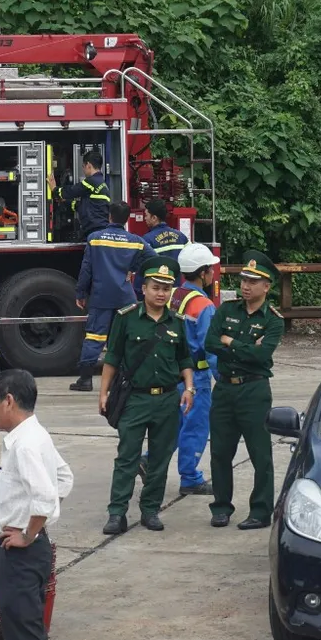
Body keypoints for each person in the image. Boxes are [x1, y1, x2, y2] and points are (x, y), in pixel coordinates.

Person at [99, 257, 195, 535]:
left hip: (167, 399)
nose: (161, 293)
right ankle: (117, 513)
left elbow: (185, 359)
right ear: (143, 288)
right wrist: (104, 392)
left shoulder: (177, 322)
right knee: (127, 458)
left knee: (159, 460)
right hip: (135, 399)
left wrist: (189, 388)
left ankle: (150, 510)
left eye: (166, 289)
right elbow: (112, 358)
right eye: (155, 287)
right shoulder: (126, 317)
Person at [0, 369, 73, 640]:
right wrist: (35, 522)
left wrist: (28, 533)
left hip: (20, 553)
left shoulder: (24, 445)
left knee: (23, 636)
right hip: (28, 550)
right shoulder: (36, 434)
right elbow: (64, 478)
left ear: (8, 401)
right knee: (25, 630)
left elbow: (45, 497)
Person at [205, 250, 284, 530]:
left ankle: (260, 512)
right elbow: (210, 343)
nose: (246, 286)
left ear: (266, 286)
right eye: (244, 280)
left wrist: (230, 342)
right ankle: (221, 507)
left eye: (253, 281)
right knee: (220, 452)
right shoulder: (227, 310)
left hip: (254, 391)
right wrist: (246, 347)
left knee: (260, 455)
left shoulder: (273, 320)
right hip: (225, 389)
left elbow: (262, 357)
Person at [139, 243, 220, 495]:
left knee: (172, 425)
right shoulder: (203, 305)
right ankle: (190, 477)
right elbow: (210, 346)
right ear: (203, 273)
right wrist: (222, 377)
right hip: (196, 377)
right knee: (194, 427)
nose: (212, 274)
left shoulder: (171, 295)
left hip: (169, 374)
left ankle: (149, 459)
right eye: (210, 270)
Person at [71, 202, 150, 392]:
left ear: (110, 217)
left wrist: (81, 293)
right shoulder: (136, 241)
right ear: (127, 219)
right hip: (126, 298)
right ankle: (124, 379)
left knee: (95, 336)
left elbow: (86, 269)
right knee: (125, 337)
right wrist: (134, 269)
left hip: (101, 296)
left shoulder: (95, 239)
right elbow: (152, 258)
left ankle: (85, 380)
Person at [47, 149, 111, 240]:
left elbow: (72, 191)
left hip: (95, 231)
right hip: (99, 229)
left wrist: (55, 189)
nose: (83, 170)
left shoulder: (91, 181)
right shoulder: (102, 184)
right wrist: (65, 202)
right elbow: (83, 206)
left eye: (83, 167)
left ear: (88, 165)